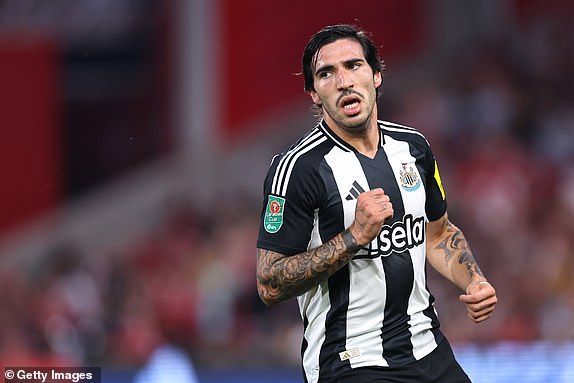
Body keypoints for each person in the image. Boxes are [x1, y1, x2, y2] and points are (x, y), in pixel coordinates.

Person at [256, 24, 497, 383]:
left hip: (427, 348)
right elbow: (269, 283)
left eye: (353, 66)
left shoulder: (414, 148)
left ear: (377, 75)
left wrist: (474, 280)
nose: (343, 81)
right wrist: (354, 236)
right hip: (350, 360)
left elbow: (438, 233)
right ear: (314, 94)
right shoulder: (298, 169)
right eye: (326, 74)